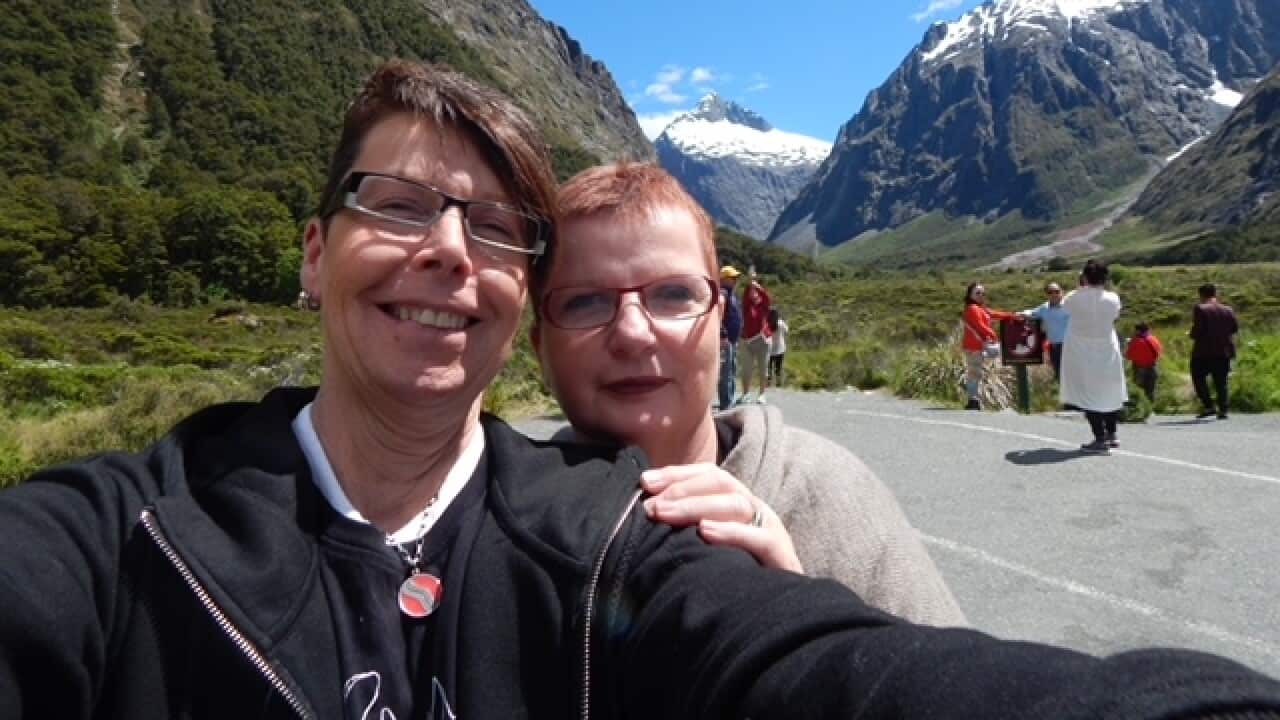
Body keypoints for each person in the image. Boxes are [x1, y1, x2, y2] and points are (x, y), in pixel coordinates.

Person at [5, 60, 1280, 720]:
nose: (444, 252)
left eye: (489, 228)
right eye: (393, 205)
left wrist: (791, 595)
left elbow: (880, 676)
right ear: (309, 255)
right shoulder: (125, 532)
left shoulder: (618, 537)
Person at [531, 161, 965, 624]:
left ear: (719, 323)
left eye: (674, 294)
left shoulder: (836, 498)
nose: (633, 333)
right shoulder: (500, 528)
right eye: (585, 301)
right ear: (540, 348)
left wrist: (804, 624)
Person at [1061, 259, 1128, 454]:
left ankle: (1099, 437)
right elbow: (1115, 315)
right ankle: (1112, 433)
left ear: (1084, 277)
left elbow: (1065, 308)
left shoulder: (1073, 297)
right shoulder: (1113, 298)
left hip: (1081, 350)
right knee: (1109, 390)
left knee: (1088, 393)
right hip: (1107, 348)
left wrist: (1080, 287)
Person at [960, 281, 1016, 410]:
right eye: (977, 293)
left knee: (976, 372)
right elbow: (980, 326)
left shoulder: (981, 309)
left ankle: (974, 399)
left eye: (983, 293)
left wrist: (1012, 315)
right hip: (974, 345)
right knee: (975, 372)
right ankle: (973, 400)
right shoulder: (972, 308)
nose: (981, 295)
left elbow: (995, 314)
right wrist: (993, 336)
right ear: (970, 294)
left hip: (979, 345)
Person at [1190, 283, 1239, 420]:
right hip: (1224, 350)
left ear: (1201, 295)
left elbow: (1197, 331)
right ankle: (1223, 409)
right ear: (1215, 293)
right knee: (1221, 381)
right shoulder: (1228, 309)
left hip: (1203, 351)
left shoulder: (1200, 309)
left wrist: (1191, 334)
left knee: (1198, 377)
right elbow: (1235, 328)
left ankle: (1209, 405)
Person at [1021, 281, 1070, 379]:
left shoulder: (1069, 305)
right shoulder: (1044, 308)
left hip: (1069, 346)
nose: (1054, 294)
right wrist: (1021, 314)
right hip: (1054, 347)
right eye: (1050, 292)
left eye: (1056, 291)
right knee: (1059, 375)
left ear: (1062, 292)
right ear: (1047, 294)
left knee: (1070, 375)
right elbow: (1032, 313)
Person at [738, 274, 772, 403]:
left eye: (755, 291)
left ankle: (762, 394)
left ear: (758, 292)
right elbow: (745, 295)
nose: (752, 293)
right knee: (746, 370)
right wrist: (750, 282)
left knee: (763, 369)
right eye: (751, 291)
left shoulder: (764, 304)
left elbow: (767, 298)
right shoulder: (746, 305)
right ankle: (745, 394)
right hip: (747, 340)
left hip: (762, 339)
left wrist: (757, 286)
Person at [717, 264, 743, 410]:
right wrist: (722, 334)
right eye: (732, 277)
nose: (735, 280)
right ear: (724, 279)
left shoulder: (732, 294)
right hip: (725, 341)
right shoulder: (723, 293)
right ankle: (725, 405)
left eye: (735, 277)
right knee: (726, 373)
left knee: (731, 371)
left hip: (733, 340)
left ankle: (729, 402)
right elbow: (718, 314)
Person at [1125, 321, 1163, 403]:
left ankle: (1141, 407)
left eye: (1135, 330)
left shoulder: (1136, 341)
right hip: (1153, 368)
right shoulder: (1153, 339)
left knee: (1139, 391)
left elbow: (1128, 356)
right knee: (1151, 391)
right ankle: (1152, 407)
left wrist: (1129, 344)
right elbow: (1159, 352)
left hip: (1139, 369)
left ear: (1138, 331)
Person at [767, 306, 788, 387]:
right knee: (778, 367)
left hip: (769, 348)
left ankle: (768, 382)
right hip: (780, 348)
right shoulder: (780, 323)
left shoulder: (766, 324)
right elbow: (787, 330)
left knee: (769, 366)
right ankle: (778, 382)